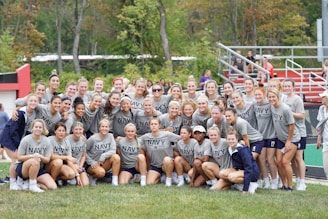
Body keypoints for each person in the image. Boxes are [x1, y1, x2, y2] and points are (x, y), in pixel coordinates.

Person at [0, 94, 39, 190]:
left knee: (20, 159)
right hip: (8, 138)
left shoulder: (33, 114)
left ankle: (19, 182)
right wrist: (19, 145)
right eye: (31, 101)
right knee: (16, 159)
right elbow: (13, 131)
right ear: (27, 102)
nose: (33, 103)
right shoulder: (21, 113)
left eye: (35, 101)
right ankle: (13, 183)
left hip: (17, 138)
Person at [268, 88, 300, 191]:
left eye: (273, 97)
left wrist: (289, 141)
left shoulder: (285, 109)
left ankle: (290, 186)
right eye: (269, 97)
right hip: (280, 139)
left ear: (278, 97)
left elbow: (292, 125)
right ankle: (284, 184)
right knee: (278, 162)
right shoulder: (272, 107)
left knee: (285, 162)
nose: (271, 99)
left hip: (292, 139)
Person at [16, 119, 57, 192]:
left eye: (40, 127)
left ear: (43, 129)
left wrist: (40, 157)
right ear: (32, 128)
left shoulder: (46, 141)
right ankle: (32, 185)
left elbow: (47, 160)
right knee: (34, 161)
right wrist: (32, 156)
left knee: (52, 187)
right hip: (23, 167)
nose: (38, 129)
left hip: (38, 168)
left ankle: (29, 183)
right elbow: (19, 157)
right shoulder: (26, 140)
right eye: (36, 127)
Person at [215, 126, 259, 194]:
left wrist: (245, 189)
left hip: (251, 172)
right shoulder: (230, 148)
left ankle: (250, 185)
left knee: (231, 177)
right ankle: (235, 184)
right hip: (239, 170)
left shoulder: (242, 150)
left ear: (237, 139)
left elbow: (249, 168)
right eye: (229, 139)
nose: (231, 141)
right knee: (221, 174)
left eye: (233, 139)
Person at [139, 117, 180, 186]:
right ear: (149, 126)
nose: (153, 125)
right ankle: (161, 178)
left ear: (159, 125)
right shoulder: (145, 137)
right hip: (155, 165)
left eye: (155, 124)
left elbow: (181, 138)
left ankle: (168, 179)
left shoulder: (167, 134)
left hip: (167, 164)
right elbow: (134, 139)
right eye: (152, 124)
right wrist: (121, 138)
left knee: (167, 159)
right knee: (149, 183)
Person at [282, 79, 307, 191]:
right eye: (285, 86)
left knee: (298, 158)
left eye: (289, 86)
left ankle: (302, 181)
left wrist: (289, 113)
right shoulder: (283, 98)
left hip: (300, 132)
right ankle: (296, 179)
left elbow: (302, 115)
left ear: (293, 87)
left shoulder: (297, 99)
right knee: (292, 159)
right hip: (290, 133)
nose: (287, 88)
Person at [253, 83, 278, 189]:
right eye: (256, 95)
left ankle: (275, 181)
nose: (258, 97)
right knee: (262, 159)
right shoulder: (254, 105)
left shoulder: (269, 104)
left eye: (260, 95)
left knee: (270, 159)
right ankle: (266, 181)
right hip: (261, 136)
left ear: (264, 95)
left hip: (272, 135)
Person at [86, 119, 121, 186]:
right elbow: (84, 152)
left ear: (109, 128)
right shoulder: (92, 139)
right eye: (102, 126)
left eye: (106, 127)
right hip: (92, 164)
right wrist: (91, 162)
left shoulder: (110, 136)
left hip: (103, 162)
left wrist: (103, 156)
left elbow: (113, 150)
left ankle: (114, 181)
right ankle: (92, 176)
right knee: (101, 173)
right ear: (99, 128)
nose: (104, 128)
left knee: (116, 157)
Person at [47, 122, 82, 186]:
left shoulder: (66, 141)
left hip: (61, 165)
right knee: (58, 161)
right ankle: (53, 181)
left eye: (63, 131)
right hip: (50, 165)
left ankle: (59, 179)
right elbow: (51, 156)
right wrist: (66, 157)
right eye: (59, 130)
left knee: (72, 174)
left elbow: (69, 159)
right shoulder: (49, 140)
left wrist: (77, 175)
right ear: (55, 131)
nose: (61, 133)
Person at [202, 125, 232, 190]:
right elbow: (206, 158)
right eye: (211, 135)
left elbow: (234, 145)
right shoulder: (209, 144)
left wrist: (241, 142)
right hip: (221, 170)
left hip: (230, 169)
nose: (213, 137)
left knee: (216, 189)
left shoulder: (225, 142)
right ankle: (214, 182)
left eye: (215, 135)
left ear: (219, 135)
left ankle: (231, 183)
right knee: (205, 165)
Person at [66, 122, 89, 186]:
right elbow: (68, 159)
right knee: (72, 174)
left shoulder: (83, 140)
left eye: (80, 129)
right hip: (69, 164)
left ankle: (75, 178)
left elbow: (84, 156)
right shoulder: (67, 140)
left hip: (79, 165)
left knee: (86, 184)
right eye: (76, 129)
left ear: (83, 130)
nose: (78, 131)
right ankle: (69, 178)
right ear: (72, 130)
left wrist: (81, 166)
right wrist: (77, 173)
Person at [316, 90, 328, 180]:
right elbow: (321, 125)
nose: (321, 99)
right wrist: (319, 139)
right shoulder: (322, 109)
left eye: (323, 97)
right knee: (326, 167)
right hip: (326, 142)